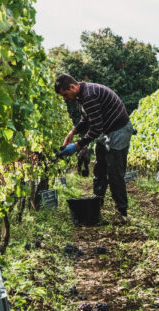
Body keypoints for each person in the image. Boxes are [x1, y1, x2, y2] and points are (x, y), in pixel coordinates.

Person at [55, 74, 135, 223]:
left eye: (65, 94)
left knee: (114, 172)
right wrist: (72, 132)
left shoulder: (89, 95)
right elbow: (86, 119)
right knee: (99, 169)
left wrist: (77, 145)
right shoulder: (81, 96)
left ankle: (123, 214)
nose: (65, 99)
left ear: (72, 87)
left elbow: (96, 128)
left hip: (118, 131)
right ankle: (95, 207)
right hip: (107, 131)